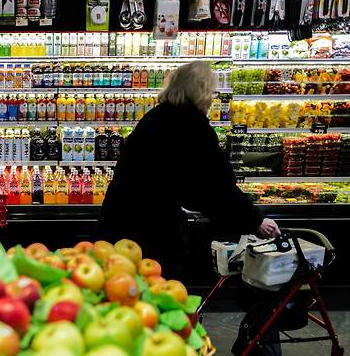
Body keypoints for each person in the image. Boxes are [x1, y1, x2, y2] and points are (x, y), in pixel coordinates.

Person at [97, 61, 280, 279]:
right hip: (152, 231)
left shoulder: (155, 117)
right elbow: (215, 187)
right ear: (201, 93)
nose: (212, 98)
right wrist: (254, 220)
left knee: (118, 289)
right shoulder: (193, 126)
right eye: (211, 92)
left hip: (118, 220)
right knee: (156, 293)